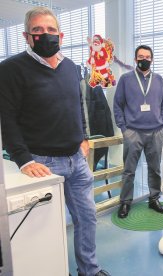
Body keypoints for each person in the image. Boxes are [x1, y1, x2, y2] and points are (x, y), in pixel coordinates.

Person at [0, 7, 110, 276]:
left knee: (87, 218)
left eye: (50, 30)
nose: (45, 35)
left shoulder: (71, 67)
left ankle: (89, 269)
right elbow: (7, 118)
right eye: (37, 30)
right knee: (44, 229)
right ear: (27, 36)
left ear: (60, 35)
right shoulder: (11, 69)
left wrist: (83, 137)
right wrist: (23, 159)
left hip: (76, 159)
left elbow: (77, 105)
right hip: (42, 163)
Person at [113, 45, 163, 218]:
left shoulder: (158, 79)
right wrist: (124, 129)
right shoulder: (126, 79)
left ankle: (154, 199)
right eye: (140, 57)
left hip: (156, 132)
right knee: (129, 171)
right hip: (133, 132)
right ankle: (125, 202)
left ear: (152, 59)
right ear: (135, 59)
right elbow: (117, 105)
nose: (144, 59)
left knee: (155, 169)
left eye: (147, 57)